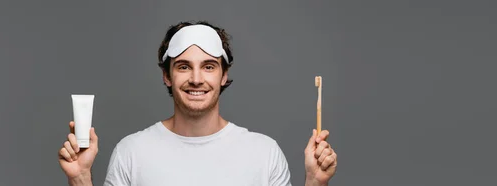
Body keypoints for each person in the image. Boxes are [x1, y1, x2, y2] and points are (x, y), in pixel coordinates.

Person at [58, 21, 337, 186]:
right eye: (183, 67)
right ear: (166, 76)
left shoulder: (264, 154)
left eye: (208, 66)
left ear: (223, 74)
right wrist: (81, 178)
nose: (196, 79)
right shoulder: (131, 153)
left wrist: (315, 183)